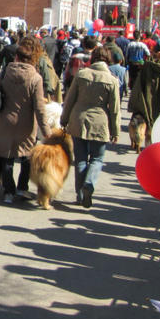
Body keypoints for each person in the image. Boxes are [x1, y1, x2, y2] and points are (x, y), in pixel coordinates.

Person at [0, 38, 51, 203]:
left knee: (7, 156)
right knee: (26, 156)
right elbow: (39, 108)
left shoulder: (5, 72)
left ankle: (8, 192)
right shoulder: (35, 78)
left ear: (16, 57)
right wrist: (47, 133)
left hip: (6, 119)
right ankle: (22, 188)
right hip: (27, 122)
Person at [60, 46, 121, 208]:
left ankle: (80, 195)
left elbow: (69, 100)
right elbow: (115, 109)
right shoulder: (112, 80)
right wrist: (115, 131)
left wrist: (64, 120)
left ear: (92, 58)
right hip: (100, 122)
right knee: (97, 158)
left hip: (78, 120)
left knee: (80, 159)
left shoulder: (81, 74)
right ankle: (89, 183)